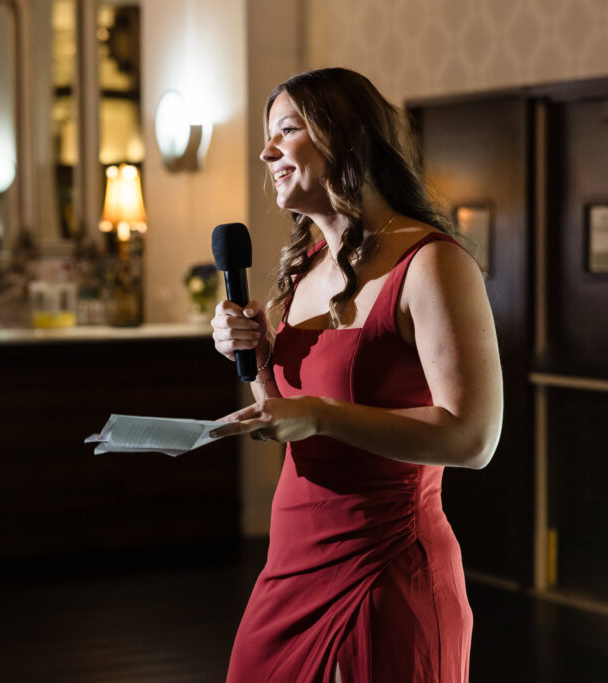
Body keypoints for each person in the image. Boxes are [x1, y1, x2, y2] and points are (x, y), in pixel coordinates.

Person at [209, 68, 503, 682]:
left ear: (347, 137)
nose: (266, 152)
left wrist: (321, 415)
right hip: (291, 562)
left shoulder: (432, 264)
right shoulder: (304, 269)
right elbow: (289, 423)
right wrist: (259, 358)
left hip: (385, 566)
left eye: (286, 130)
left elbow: (473, 438)